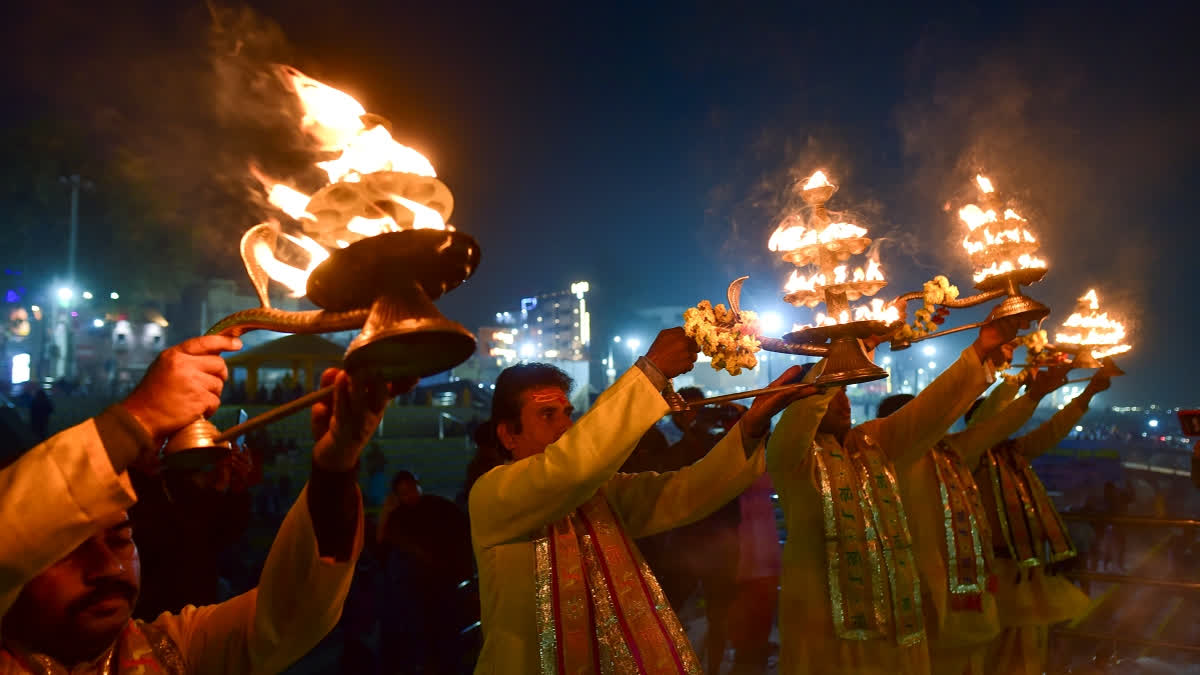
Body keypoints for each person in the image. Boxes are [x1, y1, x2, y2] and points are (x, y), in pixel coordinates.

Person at [0, 334, 415, 674]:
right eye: (72, 549)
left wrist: (337, 464)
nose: (109, 568)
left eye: (122, 539)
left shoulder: (174, 650)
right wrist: (136, 417)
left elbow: (294, 610)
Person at [466, 327, 821, 673]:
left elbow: (683, 493)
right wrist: (650, 373)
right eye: (547, 415)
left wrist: (752, 426)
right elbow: (569, 467)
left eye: (567, 414)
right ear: (509, 435)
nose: (565, 427)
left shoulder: (596, 495)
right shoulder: (493, 495)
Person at [767, 317, 1021, 675]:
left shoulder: (872, 442)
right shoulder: (791, 457)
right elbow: (794, 427)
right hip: (823, 623)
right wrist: (843, 354)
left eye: (845, 393)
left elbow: (929, 410)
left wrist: (980, 350)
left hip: (894, 624)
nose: (843, 404)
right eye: (831, 395)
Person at [879, 363, 1069, 675]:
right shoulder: (895, 458)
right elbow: (988, 421)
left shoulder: (949, 452)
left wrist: (1032, 393)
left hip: (966, 589)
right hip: (917, 590)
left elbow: (995, 426)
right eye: (919, 416)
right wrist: (1010, 381)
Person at [975, 366, 1114, 675]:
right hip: (989, 575)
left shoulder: (1013, 453)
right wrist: (1024, 386)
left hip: (1025, 572)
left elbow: (1055, 429)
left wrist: (1089, 392)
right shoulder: (966, 460)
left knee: (1026, 652)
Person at [378, 471, 474, 674]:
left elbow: (460, 533)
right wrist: (386, 512)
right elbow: (383, 544)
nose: (410, 496)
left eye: (411, 489)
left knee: (444, 637)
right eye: (403, 493)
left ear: (418, 486)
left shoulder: (437, 507)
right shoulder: (400, 517)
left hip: (440, 585)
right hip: (417, 591)